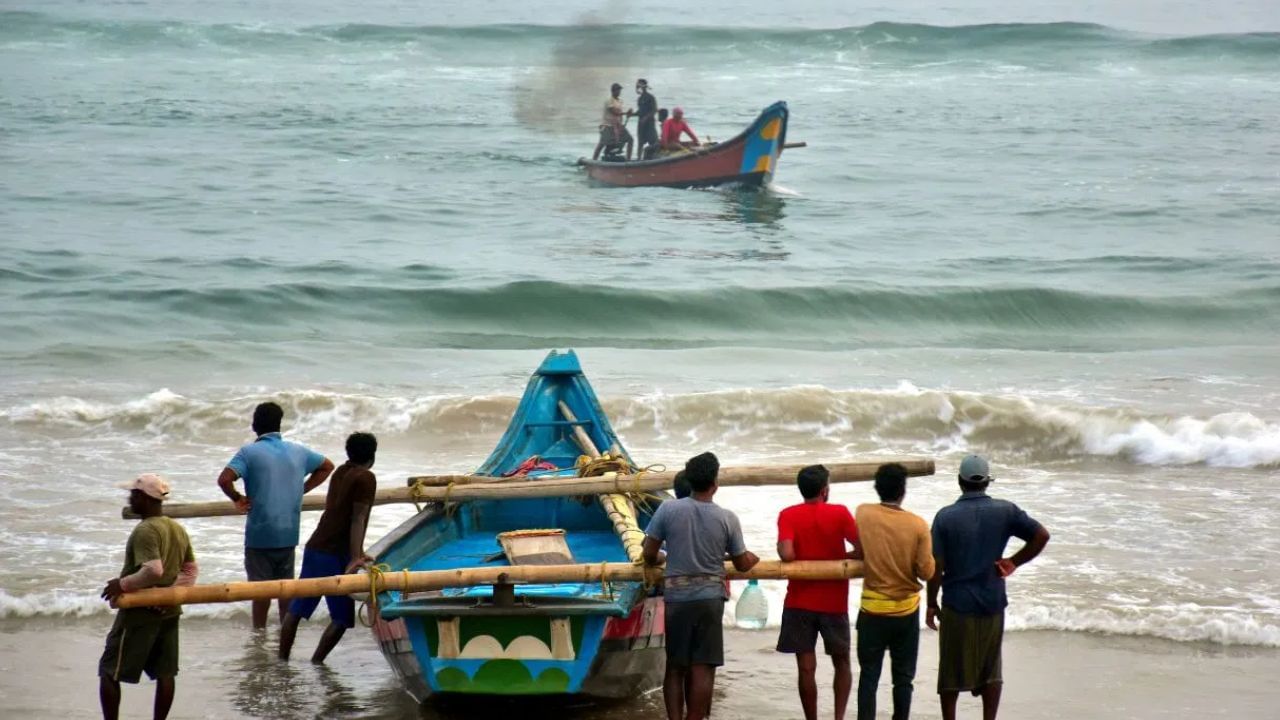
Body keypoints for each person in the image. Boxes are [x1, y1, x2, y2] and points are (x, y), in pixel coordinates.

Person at [926, 455, 1050, 720]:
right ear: (986, 483)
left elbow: (936, 565)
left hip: (957, 603)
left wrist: (931, 603)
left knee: (950, 670)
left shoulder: (945, 517)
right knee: (991, 669)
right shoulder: (1005, 511)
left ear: (960, 482)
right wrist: (1014, 562)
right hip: (992, 600)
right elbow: (1042, 535)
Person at [643, 452, 759, 720]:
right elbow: (742, 563)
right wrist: (751, 557)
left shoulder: (668, 509)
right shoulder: (727, 518)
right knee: (703, 667)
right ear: (715, 483)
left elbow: (649, 553)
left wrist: (661, 558)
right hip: (710, 598)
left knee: (675, 666)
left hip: (677, 598)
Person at [216, 401, 334, 629]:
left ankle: (259, 637)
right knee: (285, 590)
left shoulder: (249, 453)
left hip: (260, 534)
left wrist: (237, 498)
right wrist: (303, 488)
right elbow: (328, 466)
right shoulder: (298, 451)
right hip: (288, 533)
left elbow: (224, 479)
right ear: (279, 425)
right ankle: (284, 636)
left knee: (260, 593)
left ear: (254, 425)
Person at [99, 474, 198, 720]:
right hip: (169, 610)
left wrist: (122, 584)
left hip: (139, 613)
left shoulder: (145, 530)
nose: (129, 498)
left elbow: (153, 570)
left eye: (133, 494)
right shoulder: (176, 528)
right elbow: (190, 570)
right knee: (165, 674)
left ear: (144, 498)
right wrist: (166, 597)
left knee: (110, 671)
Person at [279, 432, 378, 663]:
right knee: (342, 617)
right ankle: (317, 662)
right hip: (335, 554)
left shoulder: (341, 472)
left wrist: (356, 552)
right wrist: (356, 557)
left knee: (297, 609)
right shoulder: (366, 478)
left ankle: (282, 660)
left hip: (316, 548)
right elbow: (358, 517)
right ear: (372, 456)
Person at [776, 464, 862, 720]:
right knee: (842, 662)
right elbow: (862, 549)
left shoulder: (788, 514)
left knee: (806, 668)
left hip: (799, 600)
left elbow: (787, 554)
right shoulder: (840, 513)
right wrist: (837, 558)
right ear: (825, 490)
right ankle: (838, 717)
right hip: (834, 602)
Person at [854, 463, 936, 720]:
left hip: (872, 609)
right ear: (903, 491)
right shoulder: (918, 525)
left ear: (877, 488)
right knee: (903, 679)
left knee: (869, 676)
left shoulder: (863, 513)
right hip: (905, 612)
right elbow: (926, 572)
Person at [592, 82, 634, 161]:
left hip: (618, 126)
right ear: (613, 91)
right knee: (602, 143)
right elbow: (615, 112)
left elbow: (621, 113)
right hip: (608, 126)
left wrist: (629, 113)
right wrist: (626, 113)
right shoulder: (609, 101)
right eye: (618, 90)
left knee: (630, 139)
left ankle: (628, 160)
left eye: (619, 90)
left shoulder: (620, 101)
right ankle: (594, 160)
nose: (619, 92)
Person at [635, 78, 659, 159]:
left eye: (639, 86)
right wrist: (631, 114)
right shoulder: (639, 99)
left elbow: (654, 110)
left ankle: (655, 158)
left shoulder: (650, 97)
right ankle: (638, 160)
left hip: (650, 124)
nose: (637, 88)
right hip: (641, 124)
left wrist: (646, 118)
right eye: (637, 86)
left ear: (644, 87)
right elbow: (640, 111)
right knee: (640, 143)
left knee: (654, 142)